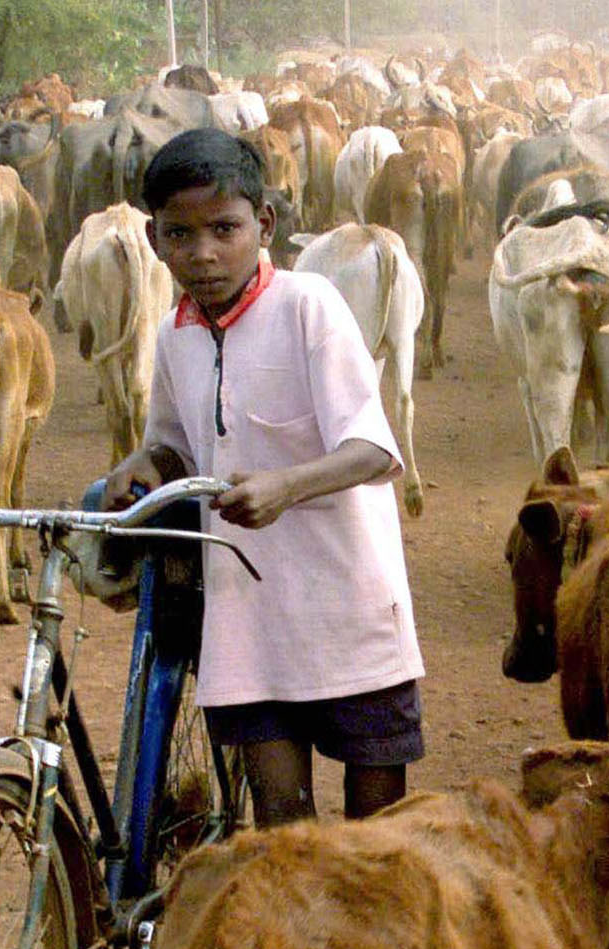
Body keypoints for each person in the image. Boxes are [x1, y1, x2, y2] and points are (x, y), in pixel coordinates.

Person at [102, 128, 425, 827]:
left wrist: (285, 487)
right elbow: (174, 445)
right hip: (247, 615)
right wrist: (142, 463)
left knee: (379, 842)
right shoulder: (175, 335)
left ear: (265, 226)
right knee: (283, 831)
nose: (203, 253)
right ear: (155, 241)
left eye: (224, 228)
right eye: (179, 234)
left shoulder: (309, 306)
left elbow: (373, 450)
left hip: (347, 602)